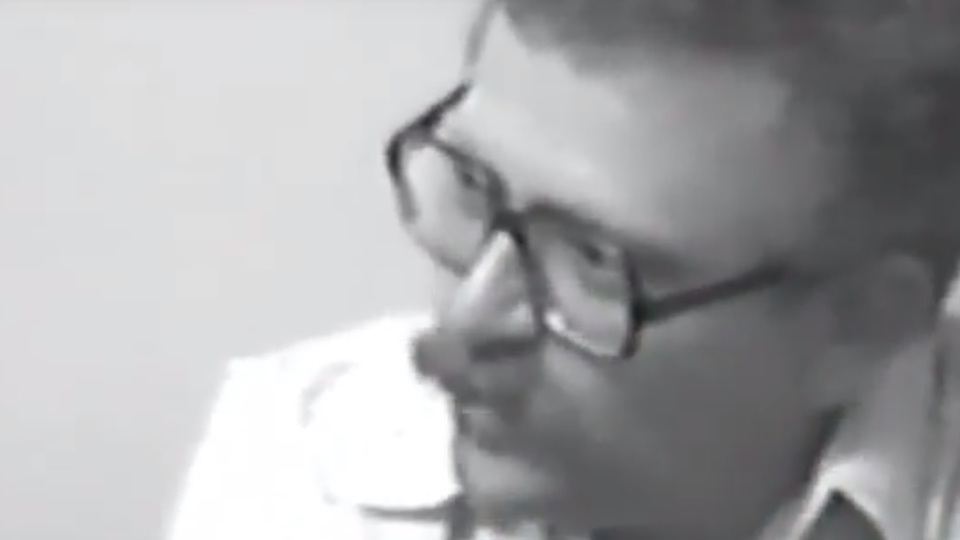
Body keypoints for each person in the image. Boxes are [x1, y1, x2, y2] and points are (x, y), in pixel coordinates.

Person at [166, 1, 960, 539]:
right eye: (470, 187)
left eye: (593, 262)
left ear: (860, 325)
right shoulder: (291, 454)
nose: (461, 330)